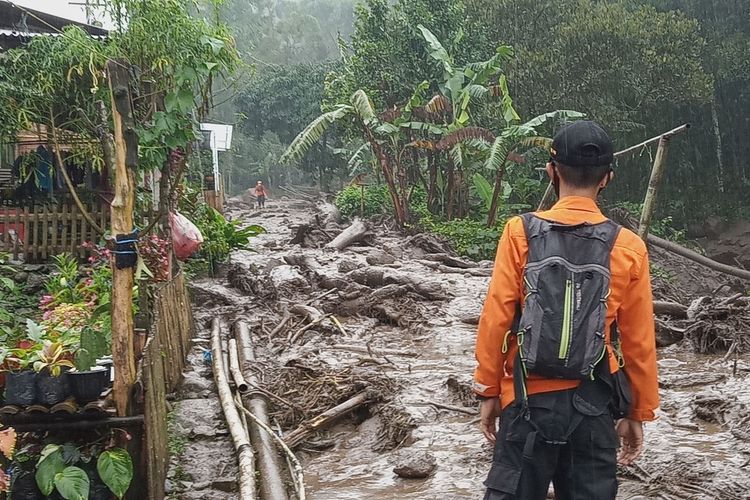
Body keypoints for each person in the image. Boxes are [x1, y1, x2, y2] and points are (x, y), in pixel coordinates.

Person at [474, 120, 659, 500]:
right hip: (592, 410)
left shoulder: (519, 232)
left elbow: (497, 317)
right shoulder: (627, 246)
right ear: (607, 178)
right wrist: (638, 412)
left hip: (525, 403)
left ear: (551, 171)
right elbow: (639, 342)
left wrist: (488, 389)